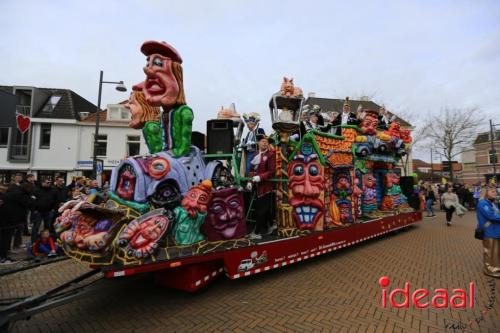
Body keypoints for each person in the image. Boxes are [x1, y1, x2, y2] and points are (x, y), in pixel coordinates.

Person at [247, 134, 276, 239]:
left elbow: (272, 171)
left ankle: (256, 232)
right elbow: (251, 170)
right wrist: (250, 181)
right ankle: (272, 225)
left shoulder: (271, 155)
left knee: (261, 210)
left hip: (265, 187)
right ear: (258, 143)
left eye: (266, 142)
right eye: (263, 141)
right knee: (264, 208)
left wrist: (260, 177)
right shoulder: (255, 154)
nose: (265, 143)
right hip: (256, 185)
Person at [0, 180, 36, 264]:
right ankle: (3, 256)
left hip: (8, 219)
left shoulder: (12, 193)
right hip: (9, 219)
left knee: (6, 237)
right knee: (5, 238)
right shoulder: (19, 195)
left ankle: (5, 253)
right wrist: (32, 198)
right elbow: (29, 203)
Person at [476, 185, 500, 278]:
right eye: (492, 192)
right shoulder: (483, 204)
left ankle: (496, 268)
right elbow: (492, 216)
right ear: (486, 193)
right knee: (490, 252)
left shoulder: (492, 203)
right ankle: (490, 270)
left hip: (496, 231)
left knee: (496, 252)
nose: (495, 193)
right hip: (490, 231)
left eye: (495, 191)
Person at [31, 178, 58, 243]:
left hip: (48, 211)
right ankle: (33, 241)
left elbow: (56, 200)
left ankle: (47, 241)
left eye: (49, 182)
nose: (49, 184)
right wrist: (34, 209)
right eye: (47, 182)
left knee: (47, 228)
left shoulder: (52, 190)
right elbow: (32, 201)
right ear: (43, 183)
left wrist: (53, 209)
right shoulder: (36, 190)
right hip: (38, 211)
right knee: (36, 227)